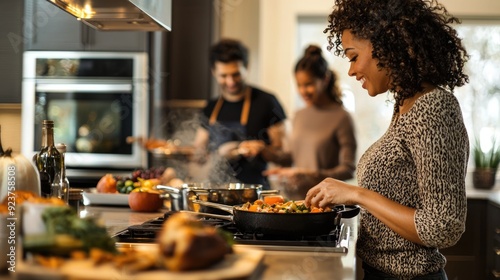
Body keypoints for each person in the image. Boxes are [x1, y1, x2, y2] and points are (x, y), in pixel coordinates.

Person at [304, 0, 470, 279]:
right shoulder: (405, 107)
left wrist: (356, 194)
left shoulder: (433, 108)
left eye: (354, 57)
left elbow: (444, 225)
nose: (351, 71)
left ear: (387, 47)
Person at [263, 45, 357, 200]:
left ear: (325, 79)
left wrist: (308, 174)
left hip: (327, 204)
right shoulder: (299, 115)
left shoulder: (342, 117)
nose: (303, 91)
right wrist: (263, 151)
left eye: (309, 84)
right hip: (298, 202)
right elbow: (292, 156)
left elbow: (348, 170)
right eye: (299, 85)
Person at [193, 38, 287, 189]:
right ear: (213, 72)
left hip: (255, 195)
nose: (230, 82)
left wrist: (263, 150)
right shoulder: (210, 107)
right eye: (223, 76)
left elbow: (285, 157)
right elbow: (198, 155)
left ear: (247, 67)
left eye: (236, 74)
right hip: (217, 192)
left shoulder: (267, 102)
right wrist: (213, 154)